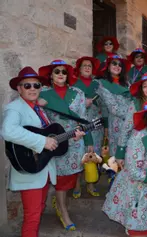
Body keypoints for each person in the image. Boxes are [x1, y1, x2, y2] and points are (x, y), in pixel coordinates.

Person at [1, 67, 84, 237]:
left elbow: (48, 136)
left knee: (37, 213)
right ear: (19, 88)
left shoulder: (39, 109)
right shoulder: (15, 107)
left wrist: (70, 136)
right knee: (32, 218)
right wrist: (42, 141)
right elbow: (8, 131)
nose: (32, 89)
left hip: (42, 169)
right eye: (27, 85)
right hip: (30, 171)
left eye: (36, 85)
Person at [102, 99, 147, 237]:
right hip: (136, 194)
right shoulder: (138, 138)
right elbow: (134, 172)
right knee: (141, 232)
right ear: (146, 119)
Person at [39, 59, 93, 231]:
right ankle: (63, 211)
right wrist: (37, 105)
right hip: (55, 143)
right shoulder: (43, 94)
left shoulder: (77, 93)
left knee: (71, 176)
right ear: (51, 75)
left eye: (63, 71)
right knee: (61, 178)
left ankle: (60, 202)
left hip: (76, 141)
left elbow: (84, 119)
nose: (61, 74)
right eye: (57, 71)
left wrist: (88, 140)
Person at [69, 56, 104, 198]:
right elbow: (70, 104)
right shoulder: (74, 84)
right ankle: (77, 185)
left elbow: (104, 103)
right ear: (79, 68)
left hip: (95, 123)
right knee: (79, 153)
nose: (87, 67)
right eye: (84, 65)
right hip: (79, 122)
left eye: (89, 65)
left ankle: (91, 183)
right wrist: (83, 103)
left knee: (92, 153)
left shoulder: (98, 84)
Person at [115, 73, 147, 161]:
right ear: (141, 90)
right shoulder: (136, 104)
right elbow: (126, 128)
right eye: (145, 86)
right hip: (140, 146)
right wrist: (120, 154)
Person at [95, 54, 132, 157]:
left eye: (120, 65)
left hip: (130, 124)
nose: (117, 66)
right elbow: (113, 108)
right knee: (117, 157)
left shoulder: (127, 84)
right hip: (116, 124)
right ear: (108, 66)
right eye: (114, 63)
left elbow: (133, 101)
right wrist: (132, 115)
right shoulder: (102, 84)